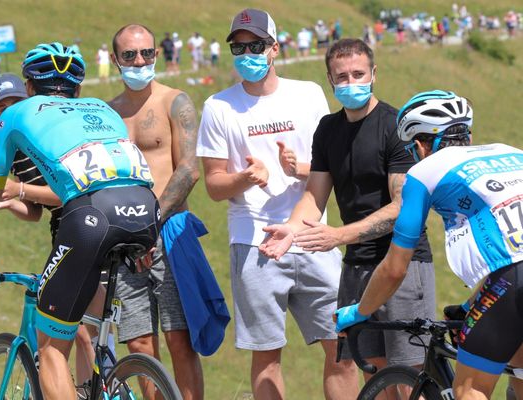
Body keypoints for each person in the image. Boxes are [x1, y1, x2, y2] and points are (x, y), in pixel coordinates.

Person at [0, 42, 159, 400]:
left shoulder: (15, 115)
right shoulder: (104, 109)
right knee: (89, 325)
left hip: (90, 217)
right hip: (147, 210)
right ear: (79, 89)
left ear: (28, 88)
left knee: (53, 348)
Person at [196, 9, 357, 400]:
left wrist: (297, 167)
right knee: (267, 357)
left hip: (313, 236)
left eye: (255, 45)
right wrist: (246, 177)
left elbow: (332, 165)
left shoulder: (307, 94)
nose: (246, 54)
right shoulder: (218, 107)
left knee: (343, 349)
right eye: (238, 47)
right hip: (255, 243)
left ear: (274, 48)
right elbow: (215, 187)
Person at [259, 38, 435, 381]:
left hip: (403, 261)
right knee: (374, 374)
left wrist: (339, 235)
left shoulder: (394, 125)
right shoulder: (327, 129)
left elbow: (402, 207)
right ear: (330, 80)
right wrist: (291, 230)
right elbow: (314, 196)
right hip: (357, 265)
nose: (351, 83)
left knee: (411, 374)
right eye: (342, 77)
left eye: (359, 74)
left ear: (374, 74)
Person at [335, 89, 523, 400]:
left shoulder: (422, 173)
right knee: (518, 375)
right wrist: (468, 307)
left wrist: (359, 311)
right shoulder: (511, 152)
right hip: (509, 279)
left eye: (412, 148)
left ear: (423, 144)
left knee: (471, 389)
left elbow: (395, 268)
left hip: (512, 280)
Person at [109, 23, 227, 400]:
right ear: (115, 60)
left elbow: (189, 169)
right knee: (140, 343)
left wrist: (150, 224)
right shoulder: (108, 114)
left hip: (168, 233)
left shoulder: (174, 101)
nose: (139, 61)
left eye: (146, 53)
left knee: (180, 338)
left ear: (156, 54)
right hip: (125, 242)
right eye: (129, 55)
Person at [0, 73, 114, 394]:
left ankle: (91, 388)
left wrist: (19, 189)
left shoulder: (47, 136)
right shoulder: (16, 151)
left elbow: (66, 192)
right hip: (68, 234)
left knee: (74, 329)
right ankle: (90, 388)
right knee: (78, 327)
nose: (7, 111)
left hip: (83, 229)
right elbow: (32, 210)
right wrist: (12, 200)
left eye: (14, 103)